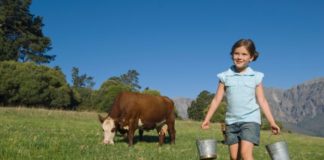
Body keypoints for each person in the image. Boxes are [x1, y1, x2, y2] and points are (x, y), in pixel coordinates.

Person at [201, 39, 280, 160]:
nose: (239, 57)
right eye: (236, 53)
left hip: (250, 120)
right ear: (232, 55)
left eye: (244, 54)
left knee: (245, 154)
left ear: (251, 57)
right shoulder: (225, 76)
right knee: (234, 157)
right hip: (231, 122)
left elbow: (262, 100)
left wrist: (272, 122)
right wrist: (207, 119)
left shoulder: (256, 76)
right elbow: (216, 99)